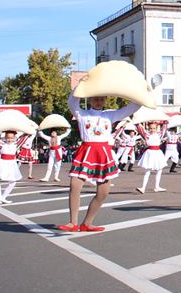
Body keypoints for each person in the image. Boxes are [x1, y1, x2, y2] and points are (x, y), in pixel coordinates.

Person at [58, 94, 140, 232]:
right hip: (86, 151)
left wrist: (142, 93)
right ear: (89, 100)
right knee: (75, 185)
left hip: (103, 153)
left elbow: (132, 107)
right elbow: (72, 102)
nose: (99, 102)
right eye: (95, 99)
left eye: (102, 99)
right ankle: (73, 222)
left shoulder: (110, 115)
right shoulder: (81, 113)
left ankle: (87, 223)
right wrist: (80, 88)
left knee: (103, 192)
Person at [0, 130, 30, 204]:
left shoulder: (16, 145)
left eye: (11, 138)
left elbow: (24, 138)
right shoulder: (1, 145)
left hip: (11, 164)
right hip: (2, 163)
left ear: (14, 138)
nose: (9, 139)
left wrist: (28, 130)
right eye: (8, 138)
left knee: (13, 182)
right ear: (5, 137)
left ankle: (3, 197)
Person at [135, 119, 169, 193]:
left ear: (156, 128)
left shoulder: (160, 134)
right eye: (151, 128)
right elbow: (140, 128)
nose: (152, 130)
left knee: (159, 170)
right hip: (150, 153)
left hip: (157, 153)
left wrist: (165, 122)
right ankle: (143, 187)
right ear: (148, 128)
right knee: (147, 171)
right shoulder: (147, 135)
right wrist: (137, 122)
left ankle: (157, 186)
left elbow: (164, 128)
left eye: (154, 128)